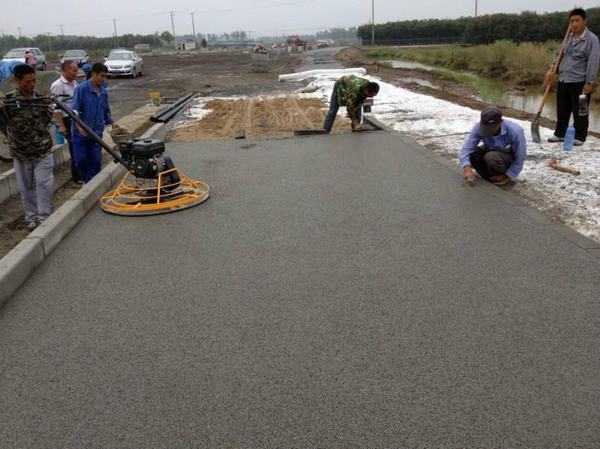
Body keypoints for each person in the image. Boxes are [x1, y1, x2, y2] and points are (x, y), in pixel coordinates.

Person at [0, 64, 54, 229]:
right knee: (26, 188)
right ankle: (32, 217)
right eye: (27, 82)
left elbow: (46, 122)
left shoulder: (39, 98)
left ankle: (45, 217)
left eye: (34, 81)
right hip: (21, 153)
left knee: (44, 184)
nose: (31, 85)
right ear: (17, 81)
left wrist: (46, 108)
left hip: (42, 150)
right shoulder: (8, 101)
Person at [546, 8, 600, 145]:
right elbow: (558, 55)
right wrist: (552, 69)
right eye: (572, 21)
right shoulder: (568, 38)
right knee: (562, 109)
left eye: (577, 21)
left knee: (580, 111)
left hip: (580, 82)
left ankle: (580, 137)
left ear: (584, 22)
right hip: (564, 79)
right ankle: (560, 134)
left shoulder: (592, 40)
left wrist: (590, 82)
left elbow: (593, 62)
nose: (574, 24)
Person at [70, 62, 118, 183]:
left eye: (105, 76)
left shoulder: (103, 91)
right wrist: (78, 125)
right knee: (81, 160)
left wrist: (111, 122)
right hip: (81, 133)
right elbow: (73, 110)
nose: (103, 79)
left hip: (96, 132)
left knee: (96, 160)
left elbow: (105, 109)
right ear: (94, 74)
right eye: (101, 76)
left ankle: (94, 183)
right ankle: (86, 181)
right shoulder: (81, 89)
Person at [460, 107, 527, 186]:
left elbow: (520, 157)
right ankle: (489, 178)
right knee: (473, 153)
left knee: (491, 157)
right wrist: (466, 167)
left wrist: (508, 174)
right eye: (485, 128)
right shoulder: (478, 127)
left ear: (500, 123)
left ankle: (503, 177)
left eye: (491, 128)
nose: (488, 132)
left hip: (507, 157)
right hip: (490, 149)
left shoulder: (515, 131)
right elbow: (467, 148)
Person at [50, 60, 81, 184]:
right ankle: (77, 176)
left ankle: (81, 172)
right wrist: (61, 125)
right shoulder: (57, 85)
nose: (76, 72)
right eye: (74, 70)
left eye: (76, 70)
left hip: (76, 118)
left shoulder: (74, 83)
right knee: (74, 147)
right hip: (67, 120)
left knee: (79, 146)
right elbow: (55, 108)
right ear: (66, 70)